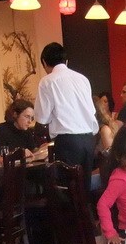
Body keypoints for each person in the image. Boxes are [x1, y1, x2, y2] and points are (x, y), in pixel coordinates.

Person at [34, 42, 98, 175]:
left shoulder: (47, 81)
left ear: (45, 63)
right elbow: (91, 111)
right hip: (89, 140)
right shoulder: (83, 79)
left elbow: (42, 119)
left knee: (69, 187)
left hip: (68, 142)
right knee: (84, 188)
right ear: (66, 61)